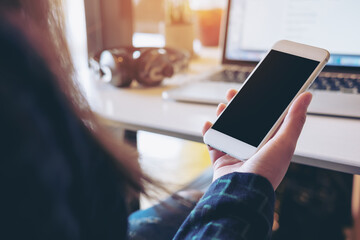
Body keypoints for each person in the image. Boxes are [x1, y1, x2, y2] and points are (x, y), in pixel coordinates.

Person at [0, 0, 312, 239]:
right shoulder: (13, 71)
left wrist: (232, 182)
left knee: (200, 191)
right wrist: (250, 189)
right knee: (214, 189)